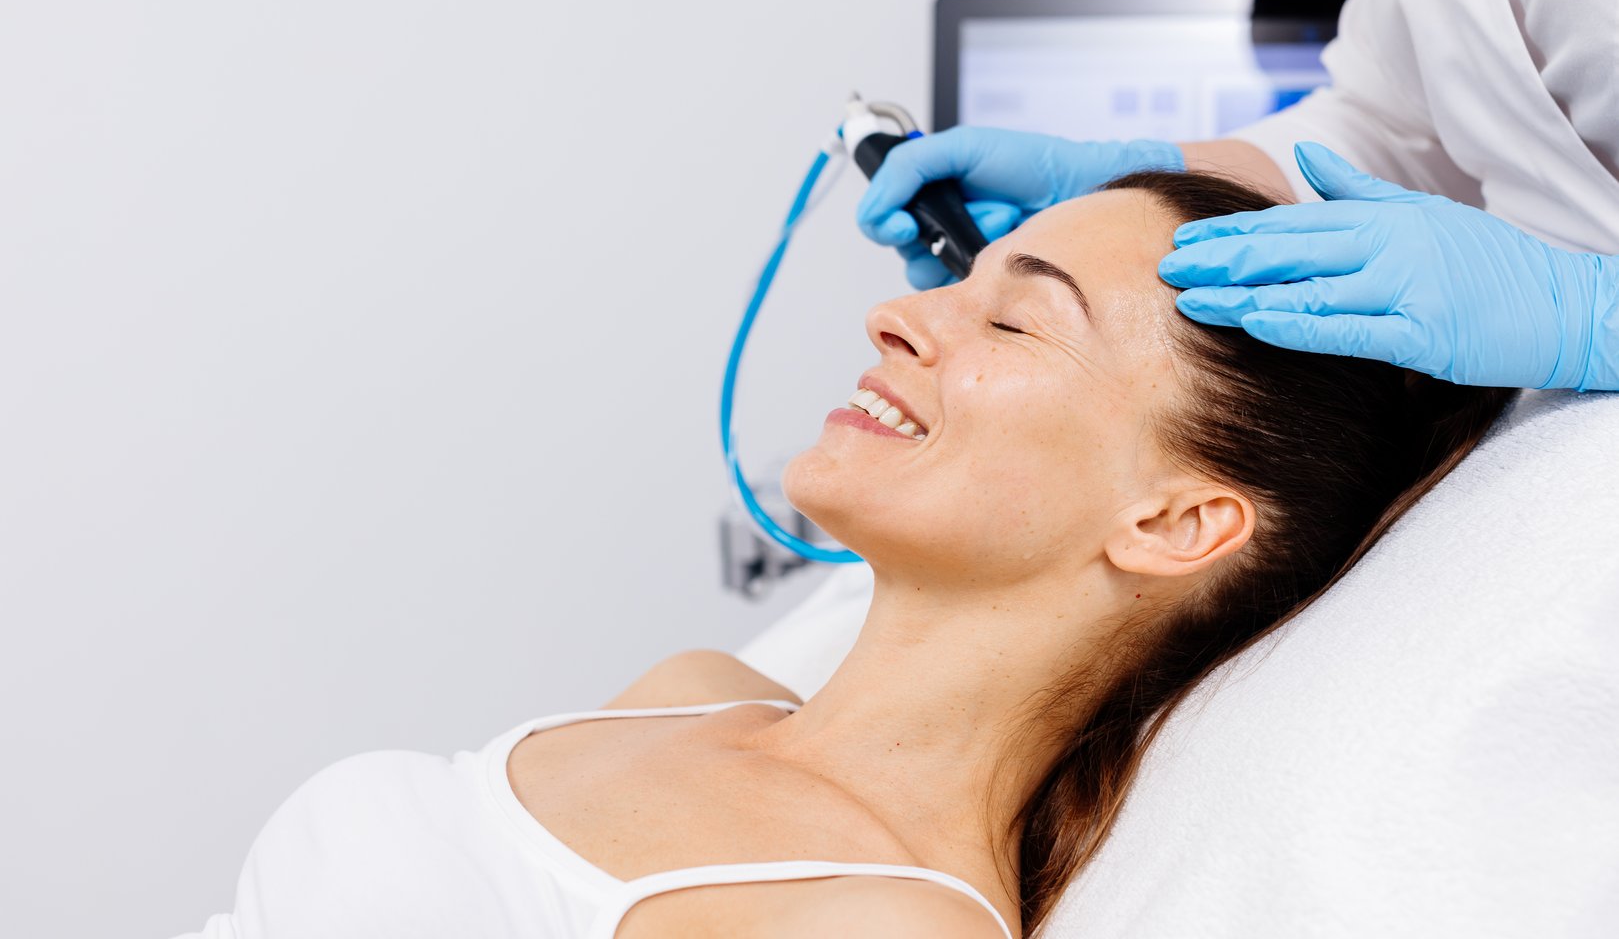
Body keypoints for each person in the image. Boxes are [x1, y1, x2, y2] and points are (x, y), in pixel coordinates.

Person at [179, 172, 1511, 939]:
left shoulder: (880, 926)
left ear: (1171, 522)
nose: (896, 316)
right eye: (956, 282)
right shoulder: (684, 689)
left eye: (1016, 324)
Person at [858, 0, 1618, 395]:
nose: (887, 324)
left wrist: (1588, 316)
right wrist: (1145, 180)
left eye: (1018, 326)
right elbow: (1397, 118)